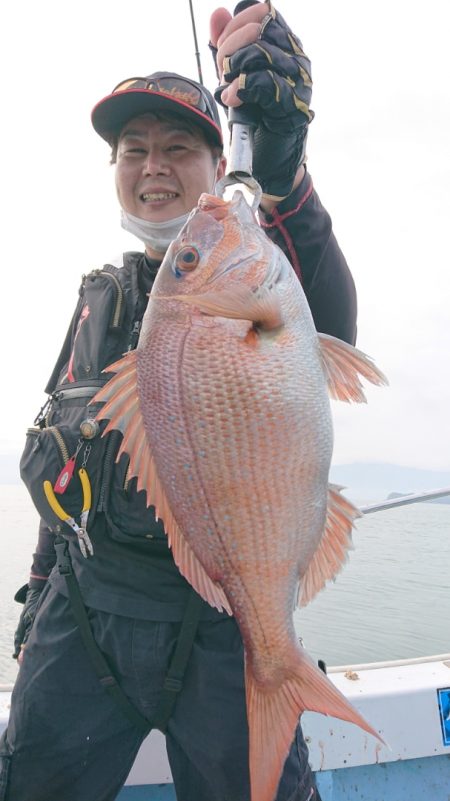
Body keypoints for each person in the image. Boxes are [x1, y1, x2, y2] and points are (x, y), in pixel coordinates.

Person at [1, 3, 356, 800]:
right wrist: (36, 605)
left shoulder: (266, 271)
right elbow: (62, 471)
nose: (153, 167)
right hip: (83, 617)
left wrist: (283, 163)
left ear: (215, 163)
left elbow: (330, 322)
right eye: (134, 151)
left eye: (177, 148)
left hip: (224, 627)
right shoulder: (95, 301)